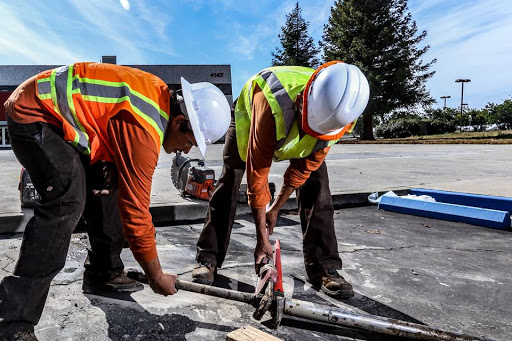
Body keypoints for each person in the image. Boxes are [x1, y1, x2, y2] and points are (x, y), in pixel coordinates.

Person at [0, 62, 230, 340]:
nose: (186, 149)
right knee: (66, 203)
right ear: (179, 122)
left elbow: (103, 120)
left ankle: (103, 272)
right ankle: (13, 322)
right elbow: (137, 213)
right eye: (189, 140)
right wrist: (156, 275)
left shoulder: (159, 98)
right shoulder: (145, 128)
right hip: (34, 115)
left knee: (109, 187)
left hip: (61, 120)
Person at [192, 61, 369, 299]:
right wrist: (262, 240)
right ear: (301, 103)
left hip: (299, 119)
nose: (308, 135)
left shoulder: (340, 116)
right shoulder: (271, 103)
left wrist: (275, 209)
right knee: (229, 181)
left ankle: (324, 266)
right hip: (250, 117)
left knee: (318, 186)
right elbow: (258, 176)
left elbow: (301, 170)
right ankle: (208, 258)